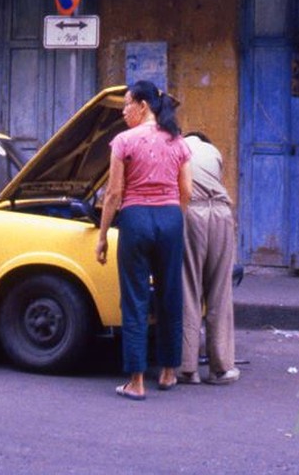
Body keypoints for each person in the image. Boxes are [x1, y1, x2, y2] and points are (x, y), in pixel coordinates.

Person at [96, 81, 193, 400]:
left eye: (126, 104)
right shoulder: (179, 142)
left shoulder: (124, 141)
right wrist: (172, 217)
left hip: (135, 219)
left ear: (143, 106)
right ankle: (168, 372)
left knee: (135, 298)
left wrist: (102, 237)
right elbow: (187, 192)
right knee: (169, 294)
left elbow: (113, 194)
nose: (123, 111)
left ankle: (136, 381)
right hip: (169, 218)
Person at [178, 132, 240, 386]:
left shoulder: (179, 148)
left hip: (193, 212)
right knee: (219, 292)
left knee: (189, 288)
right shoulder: (213, 152)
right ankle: (221, 368)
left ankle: (187, 369)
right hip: (222, 214)